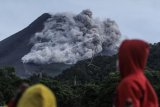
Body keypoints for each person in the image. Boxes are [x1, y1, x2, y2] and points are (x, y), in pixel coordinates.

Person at [114, 39, 159, 107]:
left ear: (127, 58)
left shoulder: (128, 84)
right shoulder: (142, 79)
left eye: (120, 56)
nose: (118, 61)